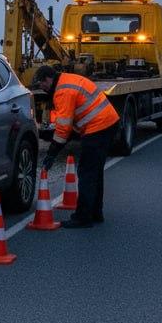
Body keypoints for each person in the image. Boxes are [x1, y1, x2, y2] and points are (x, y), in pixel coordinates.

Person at [32, 62, 119, 228]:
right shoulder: (67, 80)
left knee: (86, 172)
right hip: (107, 123)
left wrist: (51, 153)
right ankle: (95, 212)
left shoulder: (62, 91)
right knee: (95, 172)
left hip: (98, 127)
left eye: (41, 83)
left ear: (48, 79)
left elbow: (63, 128)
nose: (41, 87)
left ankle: (83, 217)